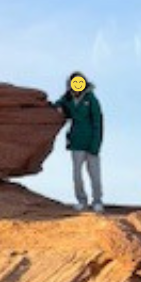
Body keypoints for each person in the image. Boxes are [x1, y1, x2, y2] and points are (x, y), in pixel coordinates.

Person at [55, 71, 105, 212]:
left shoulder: (91, 99)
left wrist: (95, 144)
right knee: (77, 175)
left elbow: (98, 123)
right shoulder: (68, 98)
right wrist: (58, 106)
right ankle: (82, 201)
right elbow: (59, 103)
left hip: (91, 142)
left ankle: (97, 201)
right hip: (76, 142)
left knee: (95, 175)